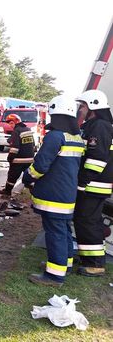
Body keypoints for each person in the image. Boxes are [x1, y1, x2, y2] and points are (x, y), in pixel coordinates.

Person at [23, 95, 84, 287]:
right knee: (64, 231)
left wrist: (27, 177)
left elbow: (40, 166)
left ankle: (54, 276)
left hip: (53, 195)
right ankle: (64, 264)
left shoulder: (55, 136)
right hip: (67, 194)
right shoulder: (76, 137)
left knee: (55, 233)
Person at [73, 89, 113, 277]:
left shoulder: (100, 126)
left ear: (93, 106)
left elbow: (97, 157)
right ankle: (89, 258)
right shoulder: (96, 125)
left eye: (83, 105)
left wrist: (82, 181)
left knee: (87, 221)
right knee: (87, 221)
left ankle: (96, 264)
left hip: (94, 184)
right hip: (93, 184)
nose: (81, 109)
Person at [0, 113, 35, 196]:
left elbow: (15, 147)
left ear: (14, 122)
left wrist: (10, 158)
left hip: (19, 159)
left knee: (12, 176)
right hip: (29, 159)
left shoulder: (16, 131)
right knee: (29, 176)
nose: (10, 126)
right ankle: (34, 192)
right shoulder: (28, 129)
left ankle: (7, 191)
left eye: (10, 123)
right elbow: (33, 144)